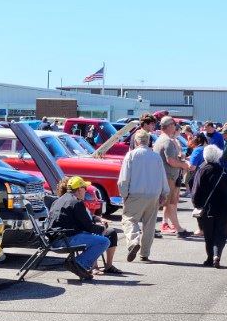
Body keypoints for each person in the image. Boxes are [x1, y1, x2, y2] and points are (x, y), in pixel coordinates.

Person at [118, 130, 169, 262]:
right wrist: (164, 192)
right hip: (153, 195)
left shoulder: (131, 155)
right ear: (148, 141)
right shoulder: (156, 157)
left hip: (135, 193)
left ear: (136, 141)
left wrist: (124, 194)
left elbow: (124, 179)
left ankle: (134, 241)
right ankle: (145, 253)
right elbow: (163, 177)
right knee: (150, 225)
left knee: (129, 220)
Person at [47, 176, 111, 279]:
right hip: (64, 240)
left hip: (53, 240)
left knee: (93, 236)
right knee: (104, 241)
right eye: (85, 188)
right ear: (79, 189)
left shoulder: (59, 200)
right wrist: (103, 228)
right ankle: (78, 263)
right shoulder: (76, 203)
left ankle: (80, 264)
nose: (86, 191)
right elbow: (89, 227)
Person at [191, 145, 227, 268]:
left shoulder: (202, 171)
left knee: (209, 235)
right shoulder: (224, 171)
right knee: (221, 233)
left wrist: (196, 204)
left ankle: (210, 258)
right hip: (224, 208)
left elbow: (196, 190)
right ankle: (217, 255)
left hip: (207, 209)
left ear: (205, 156)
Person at [153, 116, 193, 238]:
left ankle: (176, 228)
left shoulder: (165, 139)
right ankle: (179, 229)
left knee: (169, 203)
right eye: (174, 124)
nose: (175, 126)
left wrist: (181, 161)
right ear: (169, 126)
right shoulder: (167, 141)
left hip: (168, 176)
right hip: (168, 177)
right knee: (168, 203)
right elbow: (170, 160)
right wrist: (185, 165)